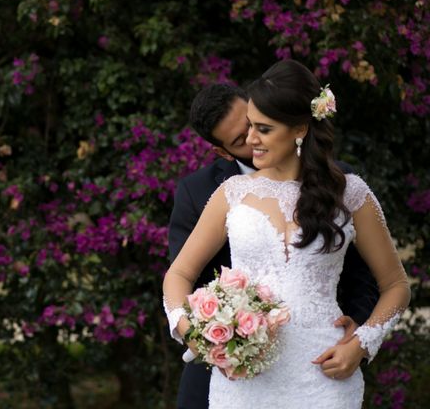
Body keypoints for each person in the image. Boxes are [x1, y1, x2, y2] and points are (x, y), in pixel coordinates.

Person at [163, 60, 410, 408]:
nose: (251, 140)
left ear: (299, 128)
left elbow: (396, 286)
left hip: (324, 376)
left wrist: (363, 342)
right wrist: (191, 331)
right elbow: (179, 274)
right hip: (243, 379)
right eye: (249, 129)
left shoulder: (351, 193)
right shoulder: (230, 193)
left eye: (262, 129)